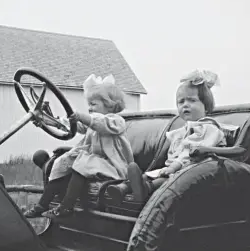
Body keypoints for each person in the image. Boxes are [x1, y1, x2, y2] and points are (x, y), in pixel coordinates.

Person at [107, 69, 227, 202]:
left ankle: (146, 189)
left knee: (165, 180)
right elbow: (175, 152)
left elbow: (194, 151)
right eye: (181, 102)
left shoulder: (208, 128)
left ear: (206, 106)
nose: (185, 105)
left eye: (192, 100)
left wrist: (174, 166)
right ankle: (123, 188)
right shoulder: (182, 131)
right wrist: (170, 166)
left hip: (195, 172)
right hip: (178, 169)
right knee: (150, 174)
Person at [24, 73, 134, 219]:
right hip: (95, 163)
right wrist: (49, 121)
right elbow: (74, 125)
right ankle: (42, 204)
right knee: (62, 162)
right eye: (89, 105)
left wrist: (83, 117)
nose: (89, 108)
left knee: (83, 163)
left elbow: (100, 123)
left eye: (93, 104)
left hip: (113, 165)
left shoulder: (116, 121)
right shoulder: (91, 123)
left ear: (109, 105)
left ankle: (66, 206)